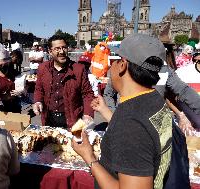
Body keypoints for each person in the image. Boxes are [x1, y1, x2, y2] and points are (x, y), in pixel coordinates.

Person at [72, 34, 173, 189]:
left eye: (116, 59)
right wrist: (105, 111)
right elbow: (142, 133)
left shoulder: (131, 123)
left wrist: (89, 157)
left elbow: (133, 130)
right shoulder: (154, 99)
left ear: (123, 65)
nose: (111, 65)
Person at [33, 35, 94, 129]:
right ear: (50, 51)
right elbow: (39, 89)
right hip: (48, 119)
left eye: (64, 47)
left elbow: (88, 94)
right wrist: (37, 101)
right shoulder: (42, 68)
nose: (62, 51)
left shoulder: (79, 69)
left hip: (72, 120)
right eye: (57, 49)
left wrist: (88, 114)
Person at [0, 44, 23, 113]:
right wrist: (5, 97)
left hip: (16, 106)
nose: (6, 64)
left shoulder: (13, 72)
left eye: (7, 62)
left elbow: (24, 84)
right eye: (3, 62)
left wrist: (22, 90)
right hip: (2, 109)